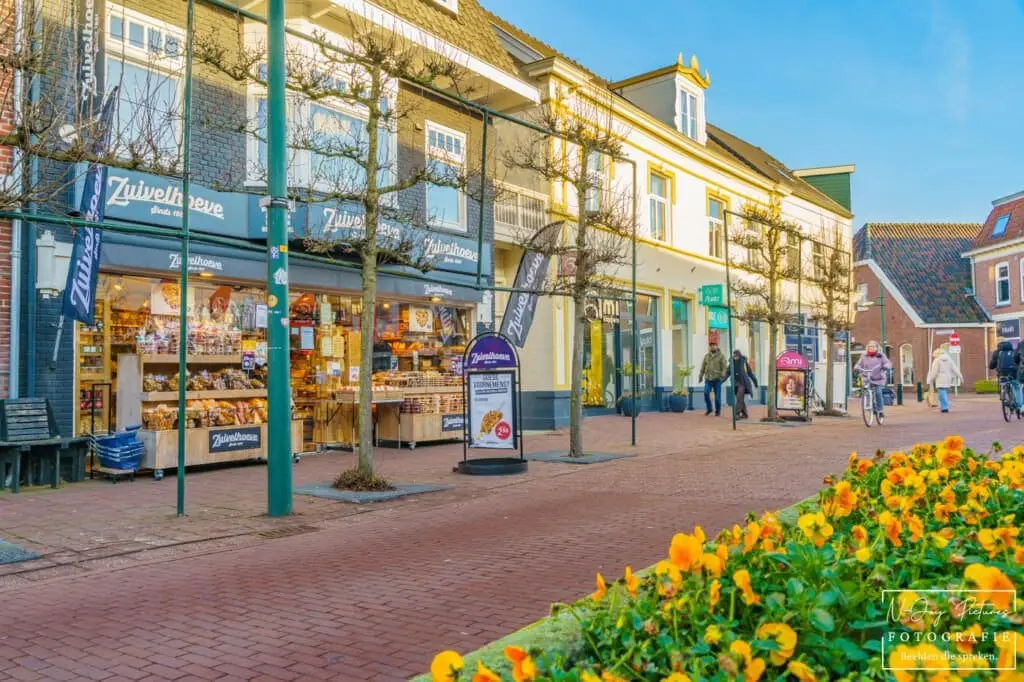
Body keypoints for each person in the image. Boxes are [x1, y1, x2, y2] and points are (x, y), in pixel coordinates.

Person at [854, 340, 892, 419]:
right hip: (867, 377)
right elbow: (858, 364)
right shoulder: (864, 356)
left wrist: (886, 366)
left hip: (878, 378)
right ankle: (870, 406)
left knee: (878, 392)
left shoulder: (881, 356)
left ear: (877, 348)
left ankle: (880, 410)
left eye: (873, 346)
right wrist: (857, 367)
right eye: (870, 346)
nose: (871, 348)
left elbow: (887, 363)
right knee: (867, 391)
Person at [926, 347, 963, 414]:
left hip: (940, 378)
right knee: (943, 392)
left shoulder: (937, 360)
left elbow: (934, 371)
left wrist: (930, 379)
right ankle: (943, 407)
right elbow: (955, 368)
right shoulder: (949, 359)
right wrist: (960, 376)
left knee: (942, 392)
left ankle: (945, 407)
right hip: (948, 378)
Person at [988, 340, 1022, 411]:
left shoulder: (997, 353)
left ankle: (1004, 395)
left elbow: (991, 366)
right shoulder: (1014, 351)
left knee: (1004, 383)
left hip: (1002, 373)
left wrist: (991, 366)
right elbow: (1018, 362)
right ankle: (1019, 406)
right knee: (1017, 387)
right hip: (1013, 373)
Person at [698, 342, 728, 416]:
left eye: (714, 346)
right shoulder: (706, 356)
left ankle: (718, 411)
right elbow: (703, 367)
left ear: (717, 346)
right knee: (706, 393)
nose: (712, 347)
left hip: (717, 379)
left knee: (717, 397)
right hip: (708, 379)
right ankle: (709, 409)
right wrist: (700, 376)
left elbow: (724, 367)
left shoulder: (721, 356)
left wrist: (722, 375)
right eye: (711, 346)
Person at [730, 350, 759, 419]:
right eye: (734, 356)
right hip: (735, 384)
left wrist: (755, 382)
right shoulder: (732, 363)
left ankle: (736, 414)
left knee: (739, 397)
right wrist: (722, 380)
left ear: (739, 356)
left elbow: (750, 373)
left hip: (743, 383)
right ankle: (745, 414)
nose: (735, 357)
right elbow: (727, 372)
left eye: (736, 356)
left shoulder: (744, 363)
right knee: (740, 399)